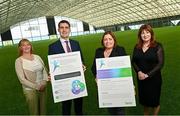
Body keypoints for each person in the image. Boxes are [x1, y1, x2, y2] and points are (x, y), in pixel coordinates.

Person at [48, 20, 85, 115]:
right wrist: (51, 74)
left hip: (77, 80)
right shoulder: (52, 47)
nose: (64, 30)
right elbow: (52, 65)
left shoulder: (76, 43)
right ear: (58, 30)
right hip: (63, 82)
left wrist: (83, 66)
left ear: (69, 29)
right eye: (62, 27)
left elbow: (81, 60)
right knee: (66, 108)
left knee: (79, 107)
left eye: (66, 27)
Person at [132, 24, 164, 115]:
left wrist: (148, 75)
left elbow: (160, 64)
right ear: (140, 35)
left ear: (151, 34)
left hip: (154, 79)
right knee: (144, 102)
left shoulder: (157, 46)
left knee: (155, 102)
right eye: (142, 33)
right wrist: (139, 72)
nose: (145, 35)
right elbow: (133, 61)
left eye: (147, 32)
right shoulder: (137, 46)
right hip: (141, 79)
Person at [91, 31, 126, 115]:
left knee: (120, 111)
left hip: (118, 87)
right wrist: (96, 76)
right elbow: (94, 67)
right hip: (105, 87)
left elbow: (125, 68)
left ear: (114, 40)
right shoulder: (99, 51)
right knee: (111, 110)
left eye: (110, 39)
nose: (108, 41)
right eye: (105, 39)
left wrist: (130, 84)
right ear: (102, 41)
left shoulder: (120, 50)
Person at [15, 38, 48, 115]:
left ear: (31, 46)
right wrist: (37, 87)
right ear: (20, 48)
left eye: (28, 44)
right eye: (23, 45)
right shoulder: (19, 61)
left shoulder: (37, 57)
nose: (26, 47)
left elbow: (44, 71)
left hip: (43, 87)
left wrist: (44, 83)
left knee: (43, 110)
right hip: (30, 90)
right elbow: (22, 79)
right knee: (34, 112)